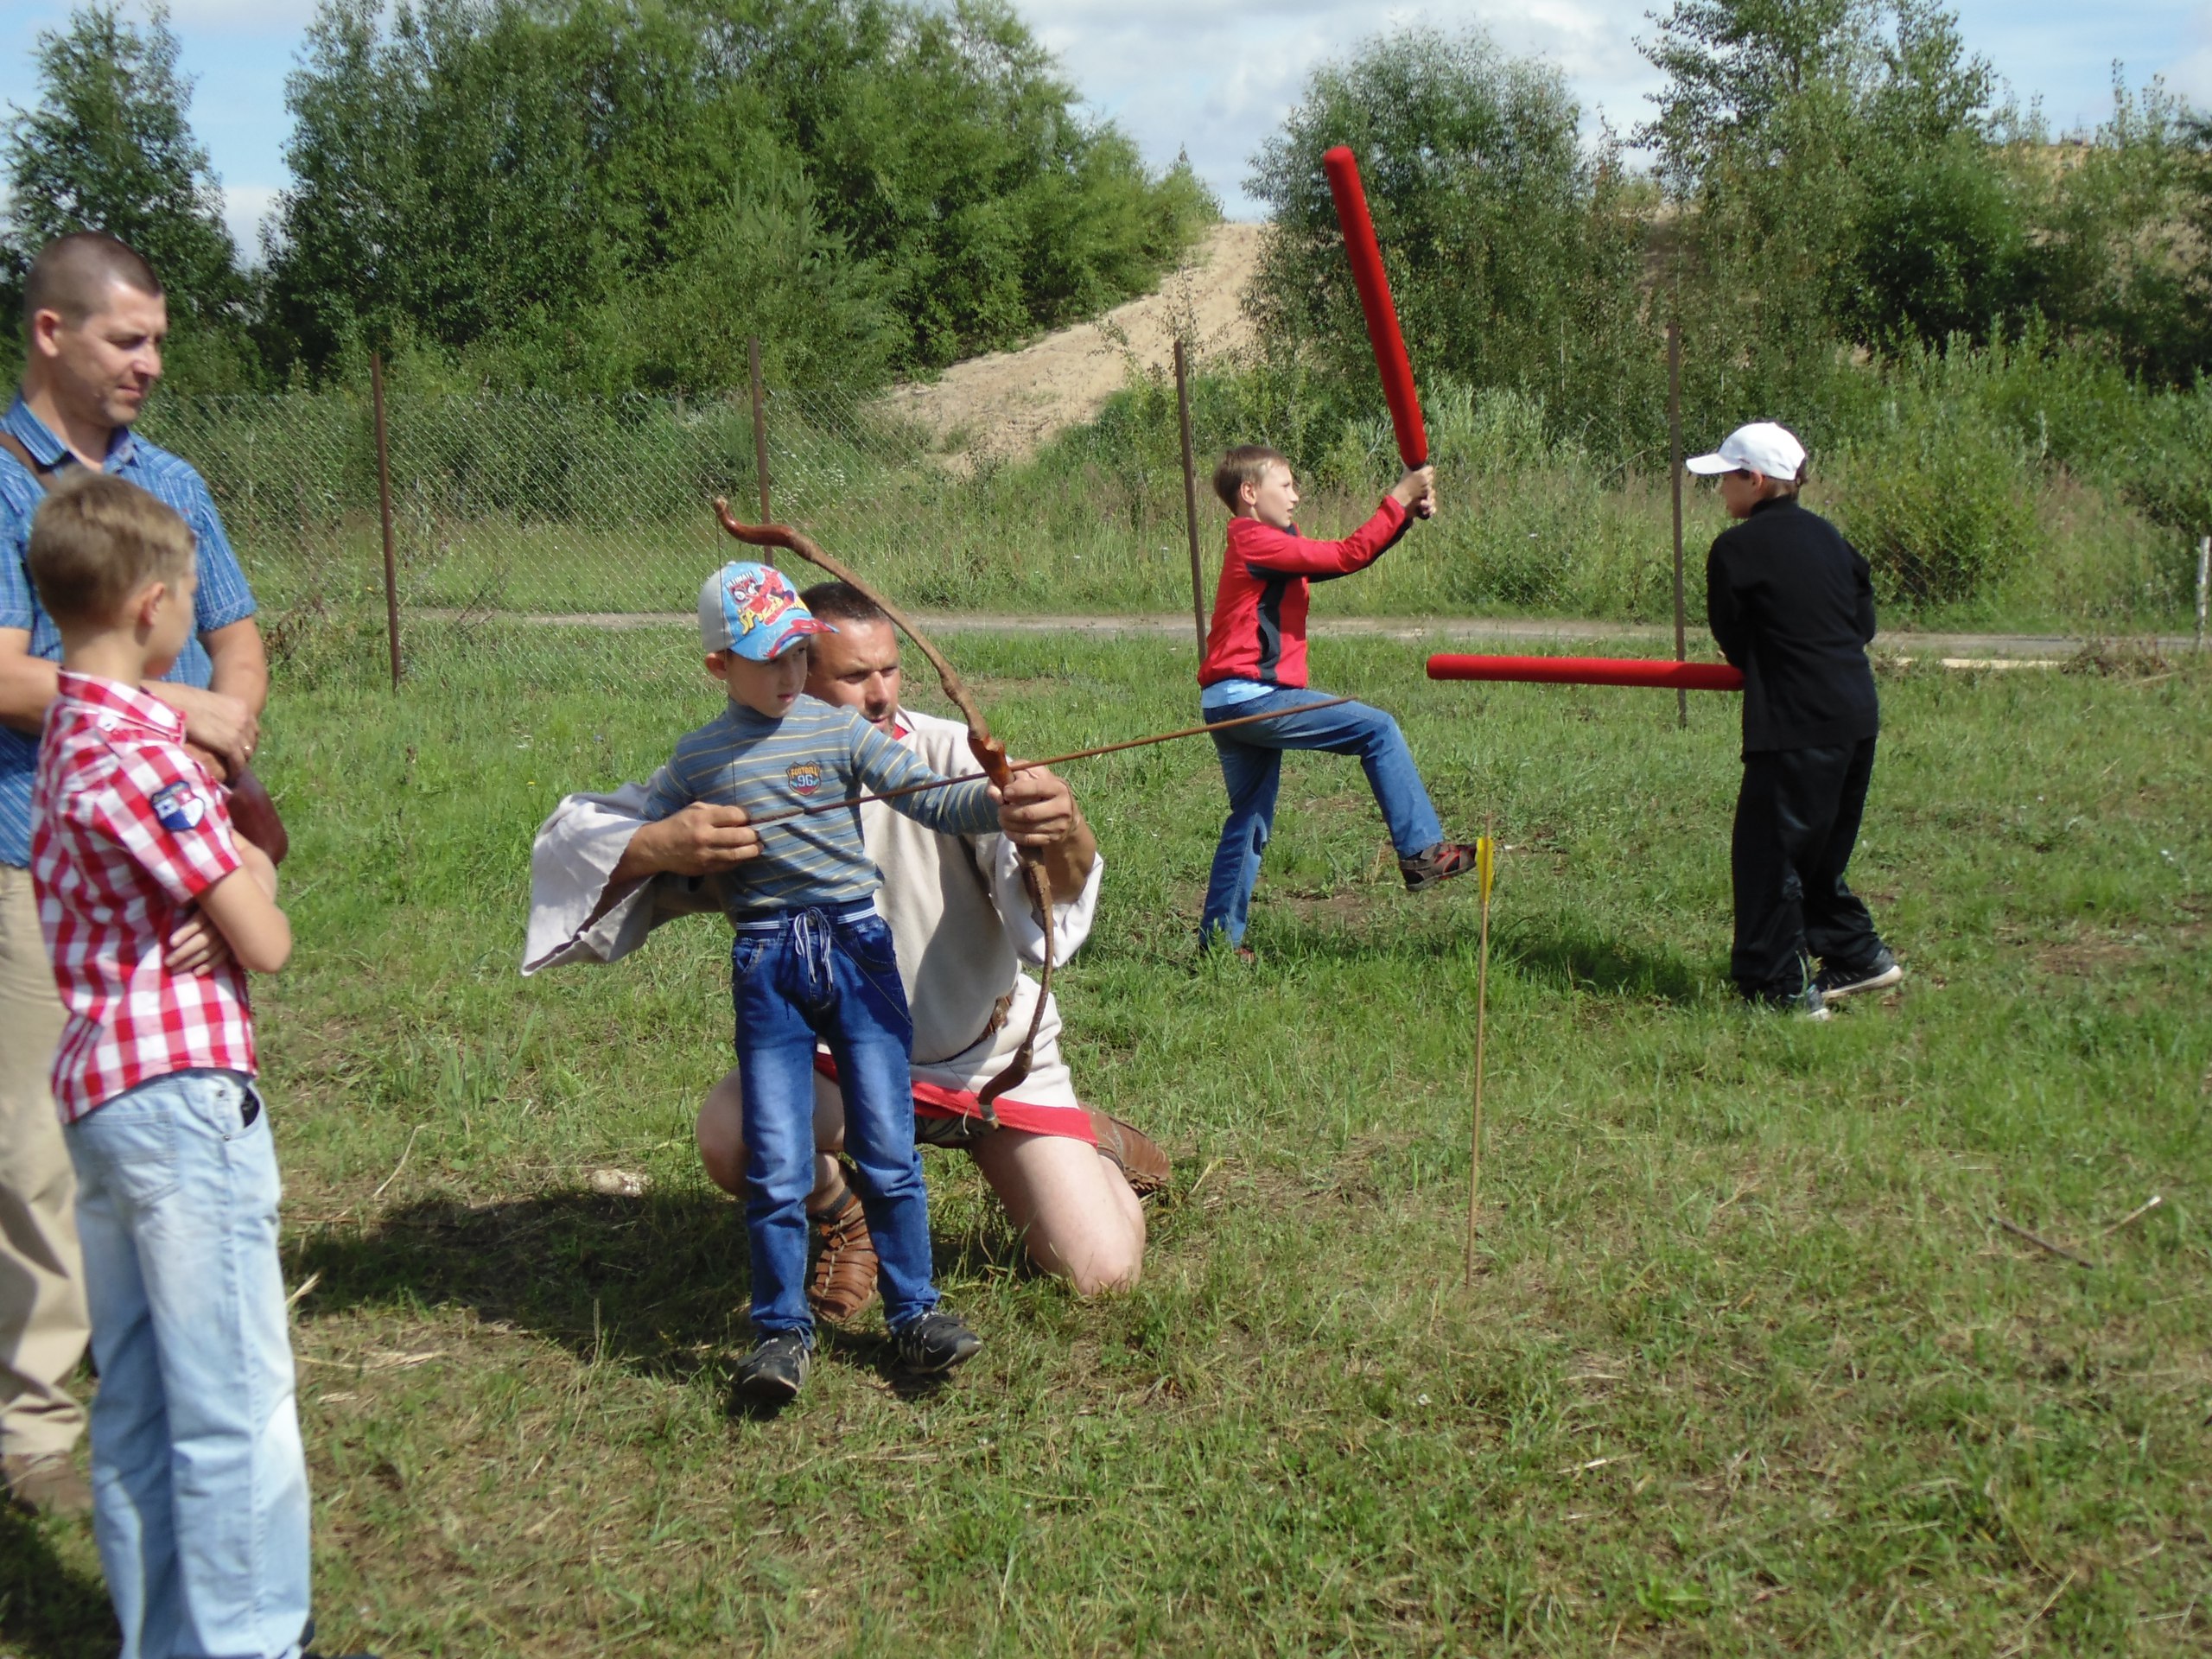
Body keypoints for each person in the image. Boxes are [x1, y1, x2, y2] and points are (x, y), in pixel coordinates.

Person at [522, 585, 1159, 1306]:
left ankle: (1088, 1141)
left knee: (1102, 1273)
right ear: (793, 677)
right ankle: (837, 1209)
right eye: (854, 678)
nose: (881, 695)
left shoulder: (946, 751)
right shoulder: (735, 769)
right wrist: (655, 844)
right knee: (731, 1134)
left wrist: (1060, 825)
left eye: (889, 670)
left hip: (989, 1066)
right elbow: (572, 842)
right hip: (841, 1067)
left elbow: (1049, 895)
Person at [27, 474, 323, 1659]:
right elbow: (269, 937)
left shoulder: (66, 739)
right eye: (191, 605)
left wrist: (234, 878)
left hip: (101, 1094)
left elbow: (235, 872)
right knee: (235, 1401)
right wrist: (243, 888)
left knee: (140, 1396)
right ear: (155, 609)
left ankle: (166, 1636)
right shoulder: (148, 758)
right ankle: (254, 1640)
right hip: (186, 1104)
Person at [0, 232, 266, 1517]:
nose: (150, 365)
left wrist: (229, 730)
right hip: (36, 855)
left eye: (157, 340)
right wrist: (175, 715)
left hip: (180, 846)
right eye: (127, 340)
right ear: (51, 334)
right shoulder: (3, 481)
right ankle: (41, 1419)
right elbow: (2, 669)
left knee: (171, 1099)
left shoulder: (170, 480)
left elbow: (237, 636)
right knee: (39, 1136)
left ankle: (161, 1352)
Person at [644, 561, 1023, 1403]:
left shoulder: (842, 734)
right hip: (769, 967)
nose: (788, 675)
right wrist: (659, 846)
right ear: (718, 666)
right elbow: (641, 825)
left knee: (886, 1148)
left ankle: (915, 1315)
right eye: (767, 659)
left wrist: (999, 796)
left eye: (797, 655)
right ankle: (780, 1333)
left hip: (857, 955)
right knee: (778, 1159)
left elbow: (933, 800)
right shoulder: (700, 757)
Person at [1196, 444, 1478, 953]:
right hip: (1252, 699)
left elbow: (1347, 557)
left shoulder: (1265, 544)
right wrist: (1398, 495)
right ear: (1250, 493)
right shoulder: (1255, 541)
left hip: (1227, 702)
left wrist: (1405, 515)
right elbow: (1348, 553)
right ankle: (1422, 853)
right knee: (1378, 729)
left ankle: (1218, 945)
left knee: (1250, 819)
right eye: (1287, 485)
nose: (1297, 497)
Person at [1694, 421, 1902, 1017]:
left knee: (1768, 856)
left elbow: (1735, 641)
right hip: (1856, 714)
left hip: (1794, 723)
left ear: (1754, 480)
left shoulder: (1734, 551)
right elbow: (1862, 625)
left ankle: (1777, 989)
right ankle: (1857, 955)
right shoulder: (1832, 539)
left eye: (1724, 480)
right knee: (1816, 853)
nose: (1720, 493)